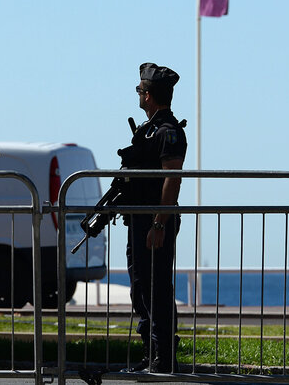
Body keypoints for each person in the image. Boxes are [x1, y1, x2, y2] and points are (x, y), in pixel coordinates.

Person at [121, 63, 186, 373]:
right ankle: (150, 352)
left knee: (157, 288)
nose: (138, 95)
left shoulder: (169, 132)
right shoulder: (148, 131)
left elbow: (172, 179)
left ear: (148, 95)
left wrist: (159, 223)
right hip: (139, 220)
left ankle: (164, 356)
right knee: (140, 287)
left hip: (155, 221)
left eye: (139, 91)